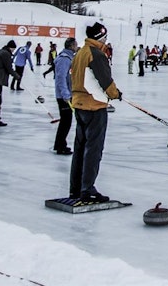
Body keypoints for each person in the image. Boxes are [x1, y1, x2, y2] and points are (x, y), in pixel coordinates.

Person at [70, 23, 121, 203]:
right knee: (93, 148)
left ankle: (76, 188)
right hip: (94, 106)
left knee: (80, 147)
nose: (106, 41)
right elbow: (106, 81)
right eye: (104, 38)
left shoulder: (80, 53)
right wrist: (115, 94)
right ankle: (87, 188)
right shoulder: (97, 55)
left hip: (79, 104)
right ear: (100, 37)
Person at [52, 37, 78, 154]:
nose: (77, 47)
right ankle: (60, 145)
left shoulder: (69, 57)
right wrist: (65, 93)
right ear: (71, 46)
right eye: (75, 45)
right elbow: (60, 77)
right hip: (63, 95)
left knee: (66, 120)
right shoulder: (64, 59)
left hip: (67, 93)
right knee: (66, 121)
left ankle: (59, 144)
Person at [0, 40, 17, 126]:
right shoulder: (6, 54)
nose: (13, 51)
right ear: (11, 47)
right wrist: (17, 76)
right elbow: (9, 68)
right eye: (13, 49)